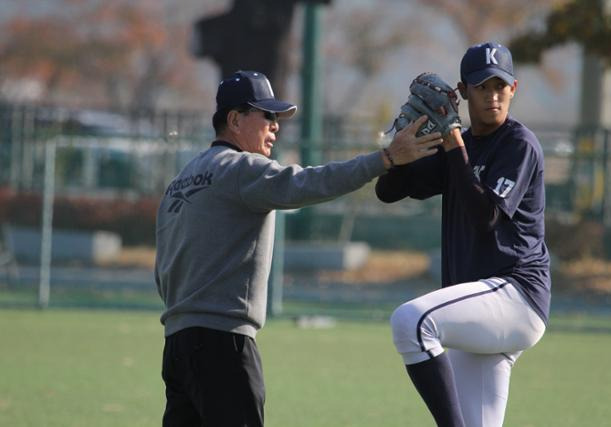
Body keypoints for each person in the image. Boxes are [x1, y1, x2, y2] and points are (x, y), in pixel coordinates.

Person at [155, 70, 442, 427]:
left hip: (177, 346)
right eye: (268, 115)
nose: (276, 126)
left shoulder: (181, 181)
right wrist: (384, 159)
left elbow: (162, 266)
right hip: (222, 346)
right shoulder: (242, 169)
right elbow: (308, 183)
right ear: (234, 119)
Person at [375, 42, 551, 427]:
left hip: (516, 294)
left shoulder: (518, 144)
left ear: (513, 89)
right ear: (464, 90)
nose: (492, 96)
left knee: (413, 323)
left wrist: (453, 141)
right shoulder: (461, 146)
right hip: (482, 311)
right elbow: (387, 192)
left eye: (500, 86)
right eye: (482, 87)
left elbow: (485, 215)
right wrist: (401, 150)